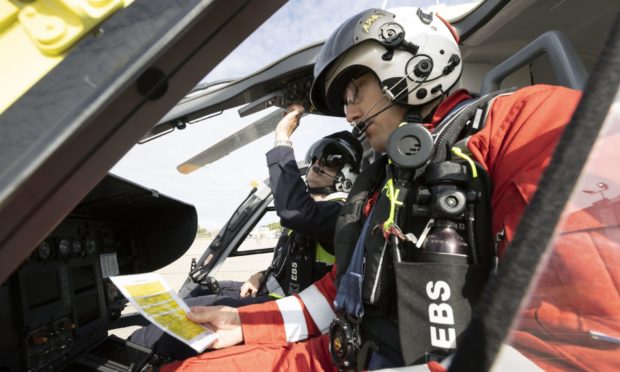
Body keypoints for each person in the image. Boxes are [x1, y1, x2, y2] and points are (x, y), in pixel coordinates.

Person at [160, 7, 583, 371]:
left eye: (353, 92)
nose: (349, 114)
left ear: (412, 68)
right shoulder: (388, 178)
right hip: (341, 351)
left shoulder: (526, 120)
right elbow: (342, 291)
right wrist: (246, 324)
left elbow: (574, 333)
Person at [129, 105, 363, 360]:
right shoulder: (318, 208)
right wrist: (260, 275)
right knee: (194, 294)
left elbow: (296, 211)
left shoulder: (343, 213)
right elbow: (294, 259)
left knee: (179, 323)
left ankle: (137, 355)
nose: (318, 163)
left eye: (332, 160)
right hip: (271, 291)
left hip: (291, 309)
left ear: (347, 174)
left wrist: (282, 138)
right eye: (317, 155)